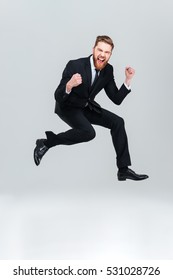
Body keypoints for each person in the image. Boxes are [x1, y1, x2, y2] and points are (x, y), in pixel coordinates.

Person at [34, 35, 148, 181]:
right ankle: (45, 143)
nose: (102, 55)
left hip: (86, 106)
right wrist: (69, 85)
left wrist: (128, 79)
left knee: (118, 122)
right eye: (100, 50)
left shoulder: (108, 70)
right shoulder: (75, 65)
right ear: (93, 49)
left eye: (107, 52)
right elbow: (57, 96)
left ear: (110, 55)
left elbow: (116, 99)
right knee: (88, 132)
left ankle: (123, 169)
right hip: (67, 106)